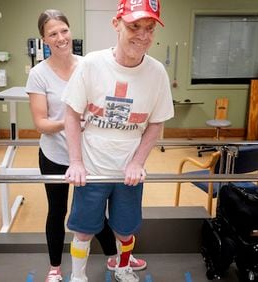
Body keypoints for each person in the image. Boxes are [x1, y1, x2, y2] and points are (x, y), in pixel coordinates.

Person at [25, 9, 146, 282]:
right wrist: (72, 121)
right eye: (52, 34)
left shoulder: (90, 64)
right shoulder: (38, 74)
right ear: (44, 39)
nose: (60, 38)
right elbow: (41, 123)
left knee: (95, 213)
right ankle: (55, 267)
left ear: (70, 32)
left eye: (64, 31)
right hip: (57, 153)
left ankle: (116, 258)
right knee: (58, 211)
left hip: (93, 155)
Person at [62, 0, 174, 281]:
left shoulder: (157, 72)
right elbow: (72, 113)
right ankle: (78, 276)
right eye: (134, 26)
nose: (143, 35)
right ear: (116, 24)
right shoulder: (91, 64)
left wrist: (138, 161)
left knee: (125, 229)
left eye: (149, 28)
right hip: (92, 167)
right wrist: (75, 162)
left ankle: (122, 268)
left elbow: (156, 122)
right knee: (84, 229)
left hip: (129, 172)